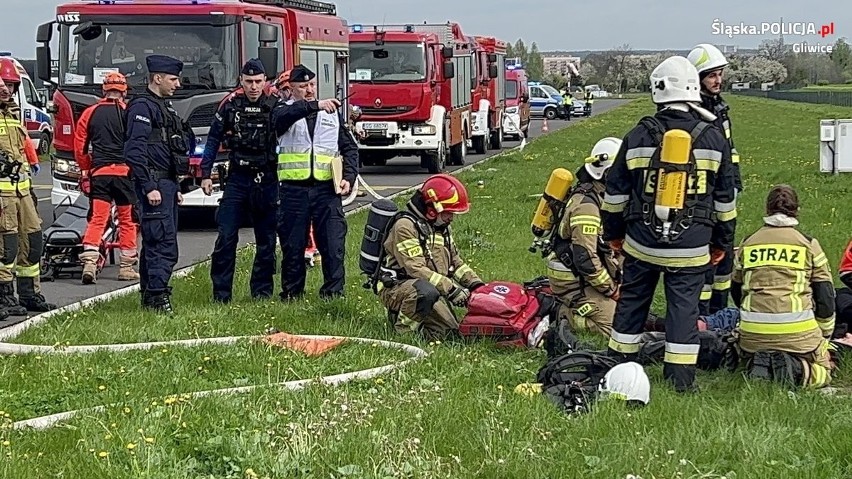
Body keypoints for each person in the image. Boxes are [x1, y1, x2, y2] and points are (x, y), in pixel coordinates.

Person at [600, 55, 738, 392]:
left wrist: (616, 237)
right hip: (691, 249)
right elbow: (725, 203)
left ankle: (620, 370)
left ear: (657, 91)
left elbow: (614, 195)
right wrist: (722, 243)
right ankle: (679, 383)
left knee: (632, 306)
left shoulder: (637, 135)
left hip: (641, 245)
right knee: (683, 315)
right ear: (693, 89)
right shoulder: (713, 138)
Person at [730, 185, 836, 388]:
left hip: (752, 336)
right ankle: (795, 370)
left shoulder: (748, 243)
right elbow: (825, 296)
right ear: (797, 210)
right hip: (799, 336)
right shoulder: (808, 244)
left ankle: (760, 364)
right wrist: (823, 336)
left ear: (767, 209)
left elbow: (736, 289)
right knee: (825, 371)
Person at [272, 64, 359, 300]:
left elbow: (350, 148)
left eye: (312, 85)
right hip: (294, 190)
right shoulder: (282, 110)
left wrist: (348, 178)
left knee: (333, 243)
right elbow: (283, 118)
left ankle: (333, 294)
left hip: (326, 190)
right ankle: (292, 294)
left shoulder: (330, 114)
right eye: (303, 86)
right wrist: (314, 106)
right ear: (291, 89)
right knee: (293, 245)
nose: (310, 90)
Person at [200, 59, 279, 303]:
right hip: (237, 179)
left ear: (265, 82)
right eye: (249, 82)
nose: (253, 87)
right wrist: (205, 173)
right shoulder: (230, 106)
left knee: (266, 241)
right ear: (241, 82)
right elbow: (213, 139)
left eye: (258, 82)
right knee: (226, 238)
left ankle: (262, 294)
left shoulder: (276, 106)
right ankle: (221, 295)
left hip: (266, 178)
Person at [376, 174, 484, 340]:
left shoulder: (441, 227)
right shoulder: (405, 227)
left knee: (451, 335)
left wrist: (477, 285)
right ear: (433, 209)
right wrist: (451, 289)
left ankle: (421, 322)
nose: (452, 218)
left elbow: (455, 262)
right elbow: (415, 269)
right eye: (449, 212)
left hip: (431, 288)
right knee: (424, 293)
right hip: (399, 287)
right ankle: (402, 332)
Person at [124, 54, 193, 313]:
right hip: (154, 183)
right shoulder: (143, 107)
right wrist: (149, 185)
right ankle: (157, 297)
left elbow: (167, 148)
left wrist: (173, 186)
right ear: (157, 78)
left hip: (165, 184)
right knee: (162, 244)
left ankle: (150, 296)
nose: (177, 84)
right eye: (173, 79)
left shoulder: (165, 107)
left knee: (157, 241)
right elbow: (135, 151)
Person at [547, 137, 622, 338]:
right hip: (575, 281)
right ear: (606, 173)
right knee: (615, 329)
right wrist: (612, 291)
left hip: (590, 278)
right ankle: (563, 314)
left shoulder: (603, 197)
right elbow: (585, 258)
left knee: (631, 316)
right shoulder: (587, 207)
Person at [688, 43, 741, 315]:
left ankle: (720, 311)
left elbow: (730, 152)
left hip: (726, 191)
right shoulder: (693, 112)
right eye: (712, 75)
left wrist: (735, 184)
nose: (718, 80)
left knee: (725, 258)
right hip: (705, 196)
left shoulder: (720, 108)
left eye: (720, 74)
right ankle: (702, 315)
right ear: (697, 80)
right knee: (706, 258)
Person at [0, 59, 56, 315]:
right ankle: (4, 296)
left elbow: (23, 152)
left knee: (32, 240)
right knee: (6, 245)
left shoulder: (12, 115)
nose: (7, 90)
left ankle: (29, 292)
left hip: (22, 191)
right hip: (3, 195)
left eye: (11, 86)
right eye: (4, 85)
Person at [73, 72, 139, 284]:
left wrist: (85, 169)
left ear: (103, 89)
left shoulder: (90, 113)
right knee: (127, 220)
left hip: (99, 174)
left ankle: (90, 262)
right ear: (124, 91)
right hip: (124, 174)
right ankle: (127, 267)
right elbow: (137, 143)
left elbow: (80, 146)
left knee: (97, 219)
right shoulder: (128, 112)